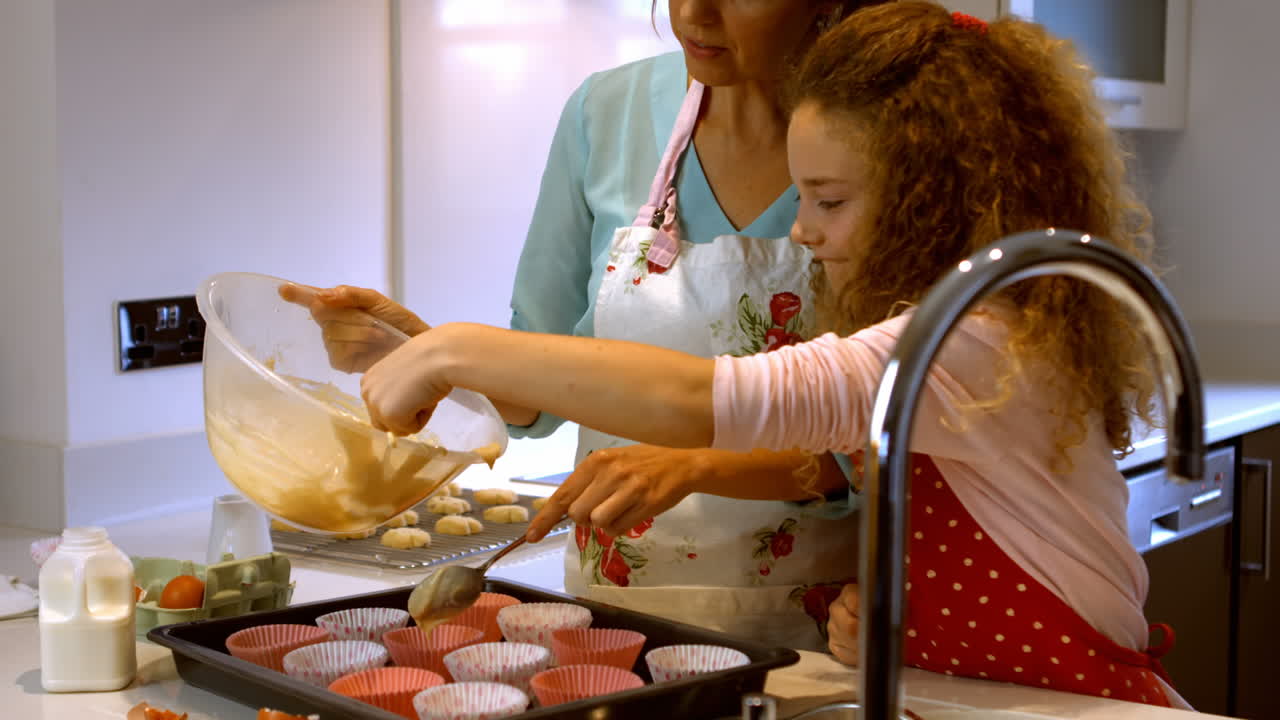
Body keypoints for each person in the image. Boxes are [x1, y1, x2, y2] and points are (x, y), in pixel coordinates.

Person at [358, 1, 1188, 708]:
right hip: (931, 673)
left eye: (826, 200)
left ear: (929, 199)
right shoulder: (965, 327)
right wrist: (902, 606)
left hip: (1061, 696)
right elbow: (886, 478)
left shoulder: (965, 340)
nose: (802, 226)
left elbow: (720, 399)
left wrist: (454, 351)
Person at [288, 0, 889, 652]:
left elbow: (880, 433)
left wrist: (694, 465)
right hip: (610, 622)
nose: (694, 12)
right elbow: (538, 392)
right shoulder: (607, 113)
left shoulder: (880, 131)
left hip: (820, 625)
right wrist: (418, 350)